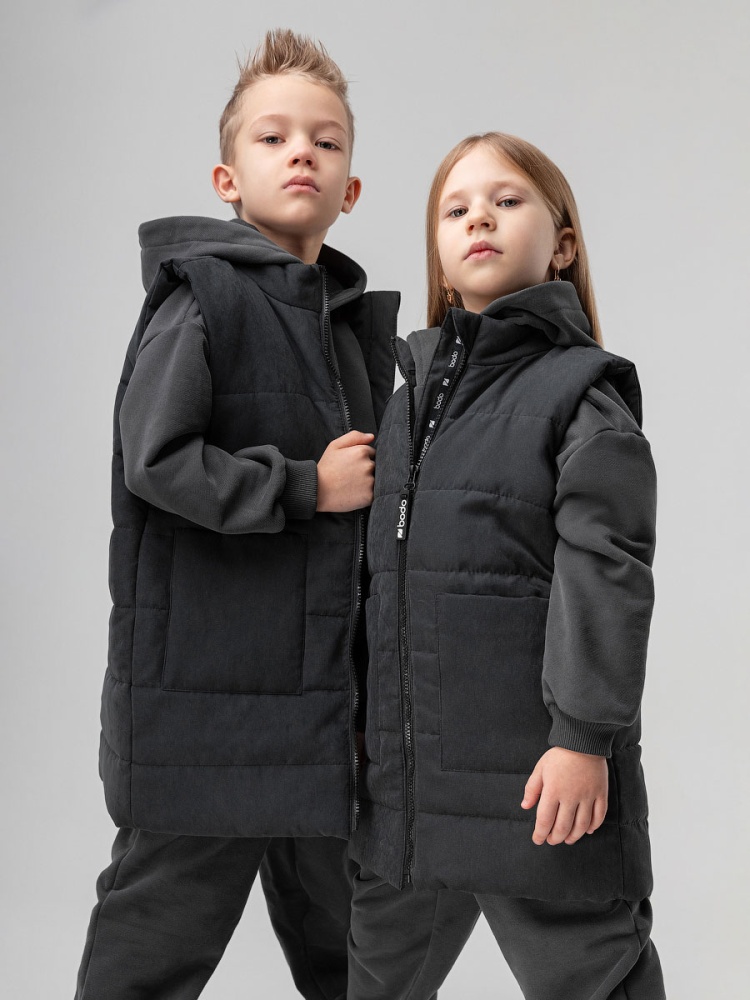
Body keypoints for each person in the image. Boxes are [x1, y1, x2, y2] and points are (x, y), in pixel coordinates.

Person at [74, 29, 399, 1000]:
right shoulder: (203, 296)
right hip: (206, 716)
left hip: (319, 716)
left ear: (350, 190)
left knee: (361, 960)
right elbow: (156, 460)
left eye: (326, 142)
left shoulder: (347, 331)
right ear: (227, 179)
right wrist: (304, 487)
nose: (302, 153)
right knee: (147, 954)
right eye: (273, 138)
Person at [347, 133, 667, 1000]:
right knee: (375, 980)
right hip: (409, 793)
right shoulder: (407, 402)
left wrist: (582, 740)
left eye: (507, 199)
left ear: (562, 244)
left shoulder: (580, 395)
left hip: (537, 784)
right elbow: (379, 582)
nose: (479, 217)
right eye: (455, 209)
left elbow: (607, 574)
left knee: (593, 975)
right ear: (442, 262)